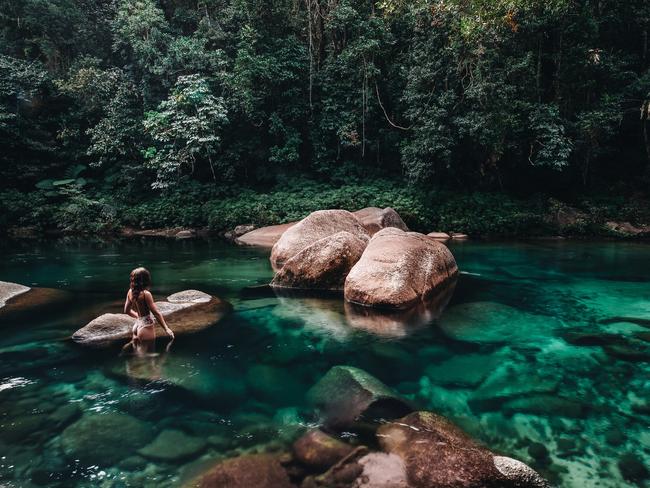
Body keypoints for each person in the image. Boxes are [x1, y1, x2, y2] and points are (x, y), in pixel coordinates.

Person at [123, 267, 175, 343]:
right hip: (146, 326)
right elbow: (156, 313)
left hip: (137, 325)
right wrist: (166, 329)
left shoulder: (130, 292)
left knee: (137, 351)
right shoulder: (146, 294)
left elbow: (126, 311)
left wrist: (138, 317)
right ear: (146, 280)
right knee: (147, 354)